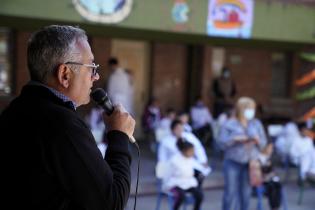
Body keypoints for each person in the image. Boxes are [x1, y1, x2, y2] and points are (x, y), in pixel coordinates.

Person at [0, 25, 135, 210]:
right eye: (92, 67)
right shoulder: (61, 125)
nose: (95, 77)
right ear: (65, 74)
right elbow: (111, 202)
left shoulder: (16, 109)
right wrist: (119, 136)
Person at [218, 97, 267, 210]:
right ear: (241, 109)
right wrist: (235, 139)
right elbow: (221, 143)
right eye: (248, 108)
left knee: (246, 193)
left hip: (250, 164)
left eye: (252, 109)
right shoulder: (229, 124)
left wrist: (257, 140)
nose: (251, 111)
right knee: (230, 193)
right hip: (232, 162)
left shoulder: (256, 124)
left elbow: (263, 144)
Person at [162, 138, 203, 210]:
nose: (193, 153)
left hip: (189, 183)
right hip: (176, 183)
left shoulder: (191, 159)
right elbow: (167, 174)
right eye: (191, 151)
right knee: (181, 196)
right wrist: (166, 185)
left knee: (200, 195)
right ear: (184, 151)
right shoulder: (174, 160)